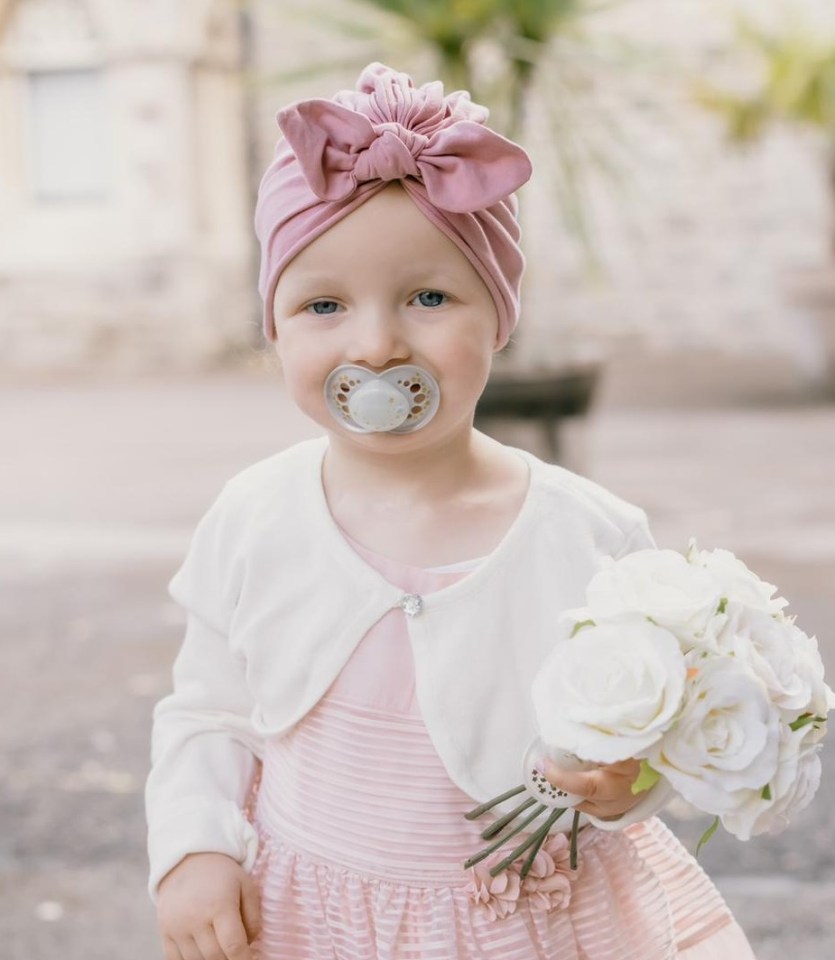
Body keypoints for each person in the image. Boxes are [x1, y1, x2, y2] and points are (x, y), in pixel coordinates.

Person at [145, 62, 757, 960]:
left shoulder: (589, 532)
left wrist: (628, 786)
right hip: (315, 919)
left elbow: (641, 723)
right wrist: (195, 844)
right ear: (274, 328)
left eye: (429, 297)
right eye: (323, 304)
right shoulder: (255, 515)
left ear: (498, 315)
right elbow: (208, 709)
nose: (378, 343)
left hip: (529, 922)